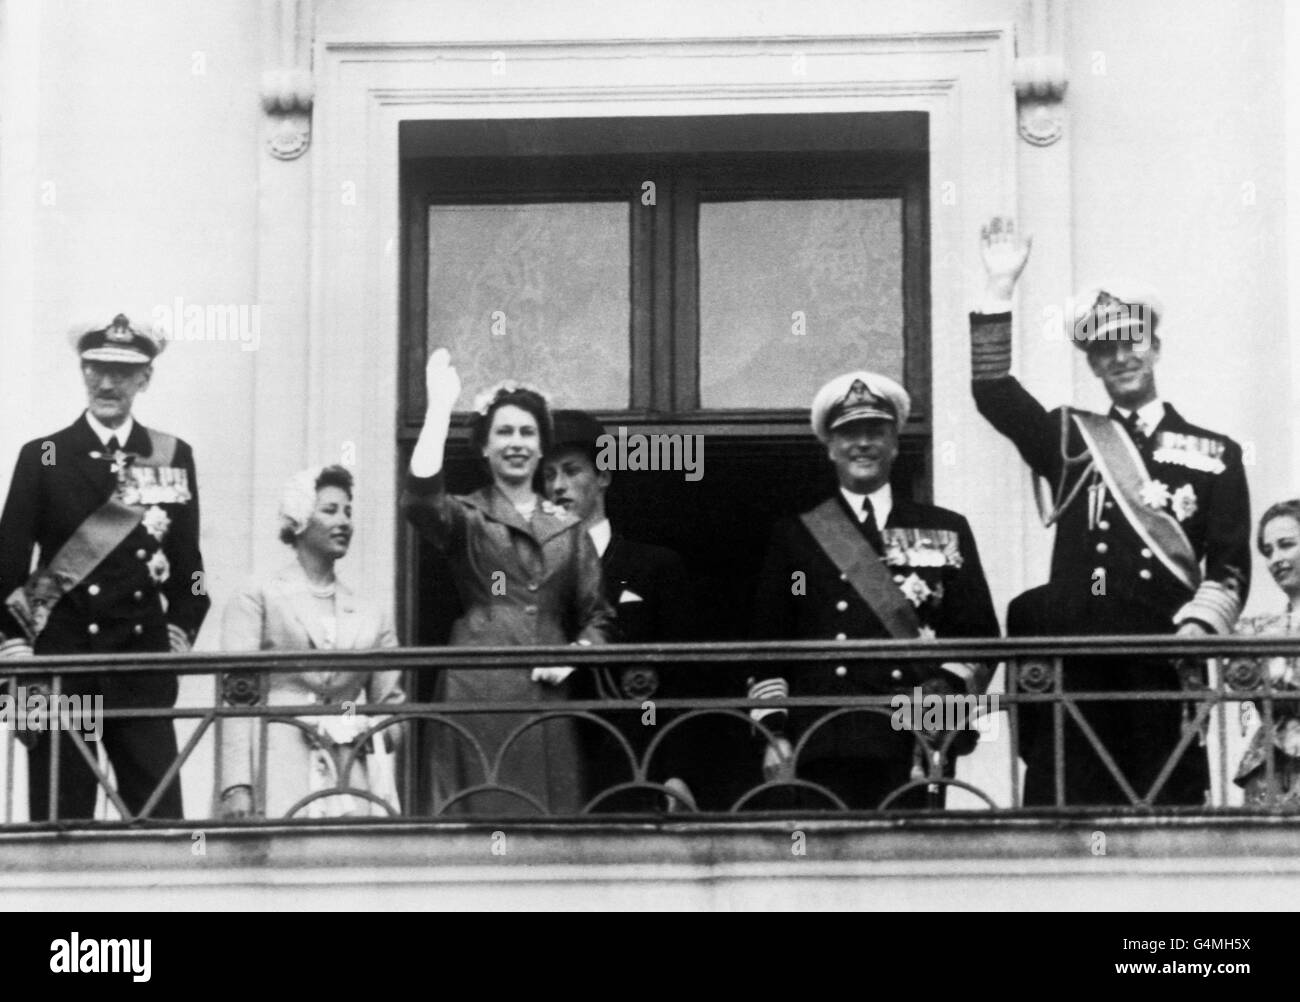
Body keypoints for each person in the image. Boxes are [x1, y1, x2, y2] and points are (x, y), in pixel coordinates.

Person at [971, 216, 1251, 806]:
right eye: (1105, 348)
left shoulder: (1216, 453)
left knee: (1164, 814)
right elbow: (994, 392)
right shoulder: (1071, 438)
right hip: (1076, 664)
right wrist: (999, 287)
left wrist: (1197, 633)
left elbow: (1228, 567)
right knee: (1066, 809)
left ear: (1155, 346)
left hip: (1158, 657)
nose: (1122, 356)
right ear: (1094, 365)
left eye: (1132, 341)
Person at [746, 371, 1000, 810]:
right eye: (848, 434)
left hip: (914, 733)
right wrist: (775, 734)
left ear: (895, 444)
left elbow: (978, 636)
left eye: (875, 432)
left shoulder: (946, 528)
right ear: (830, 447)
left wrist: (941, 707)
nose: (862, 444)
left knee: (908, 872)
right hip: (822, 738)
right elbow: (768, 644)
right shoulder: (797, 536)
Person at [0, 313, 209, 820]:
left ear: (145, 378)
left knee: (162, 826)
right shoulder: (44, 454)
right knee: (61, 828)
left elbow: (193, 575)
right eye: (95, 367)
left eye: (122, 371)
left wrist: (178, 632)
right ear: (83, 369)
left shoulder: (172, 455)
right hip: (62, 667)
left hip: (141, 667)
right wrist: (16, 646)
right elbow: (6, 566)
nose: (107, 382)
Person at [402, 349, 613, 816]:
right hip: (477, 687)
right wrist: (439, 408)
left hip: (547, 698)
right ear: (484, 447)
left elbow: (598, 614)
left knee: (546, 829)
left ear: (540, 448)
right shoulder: (467, 515)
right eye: (504, 432)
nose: (516, 442)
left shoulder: (569, 528)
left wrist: (576, 656)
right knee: (478, 823)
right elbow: (419, 501)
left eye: (527, 432)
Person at [218, 465, 405, 820]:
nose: (345, 521)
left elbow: (392, 710)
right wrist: (237, 786)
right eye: (330, 510)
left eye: (348, 511)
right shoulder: (257, 595)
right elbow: (234, 700)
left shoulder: (371, 611)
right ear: (300, 519)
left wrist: (368, 730)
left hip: (349, 775)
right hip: (277, 766)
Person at [542, 409, 698, 810]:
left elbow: (685, 677)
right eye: (548, 476)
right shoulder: (531, 574)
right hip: (554, 767)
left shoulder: (654, 567)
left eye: (572, 471)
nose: (558, 486)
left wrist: (679, 771)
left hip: (638, 764)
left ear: (604, 477)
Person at [1231, 501, 1300, 805]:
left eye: (1286, 545)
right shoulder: (1257, 629)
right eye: (1268, 551)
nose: (1276, 559)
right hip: (1270, 771)